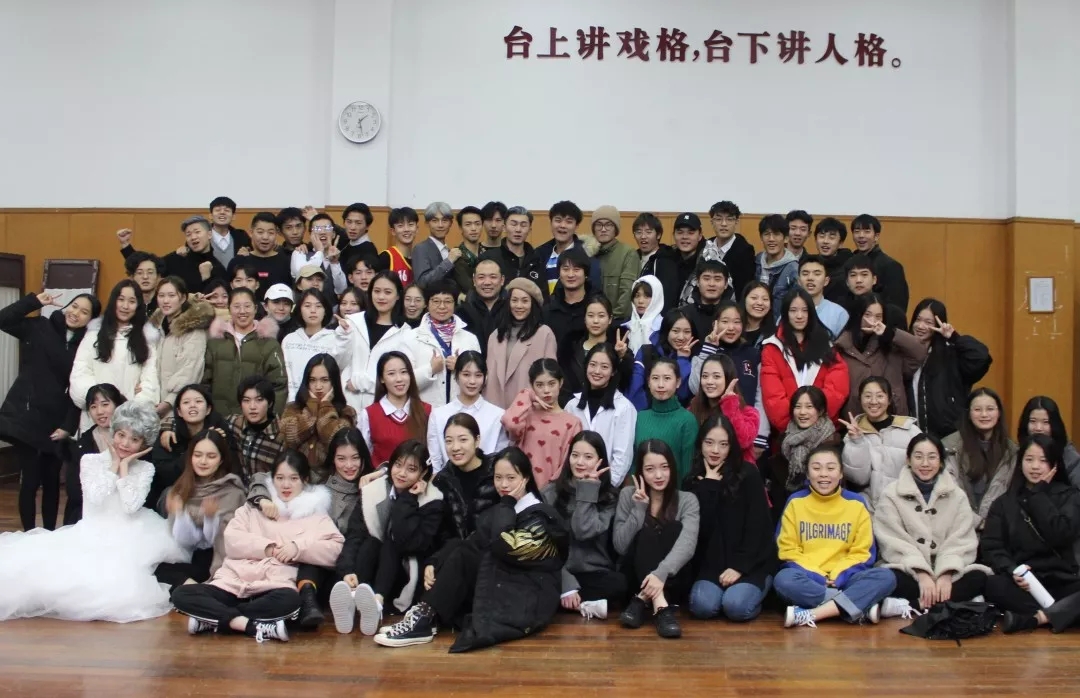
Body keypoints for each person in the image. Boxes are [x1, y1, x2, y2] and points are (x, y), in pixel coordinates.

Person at [0, 401, 187, 622]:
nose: (125, 443)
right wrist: (113, 466)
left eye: (134, 439)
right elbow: (96, 497)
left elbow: (130, 506)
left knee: (123, 589)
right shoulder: (90, 461)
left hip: (131, 531)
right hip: (93, 530)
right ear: (113, 432)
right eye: (121, 435)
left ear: (144, 443)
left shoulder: (146, 468)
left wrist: (125, 468)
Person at [374, 446, 569, 651]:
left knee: (465, 556)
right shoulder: (502, 509)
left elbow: (505, 546)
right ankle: (426, 616)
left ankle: (424, 619)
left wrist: (507, 503)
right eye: (498, 477)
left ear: (526, 478)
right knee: (457, 549)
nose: (503, 484)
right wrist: (435, 562)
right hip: (502, 582)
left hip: (526, 597)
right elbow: (471, 541)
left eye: (511, 478)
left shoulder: (540, 516)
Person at [171, 450, 344, 642]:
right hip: (232, 583)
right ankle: (247, 624)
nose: (286, 485)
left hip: (274, 586)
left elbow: (335, 548)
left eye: (293, 478)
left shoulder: (316, 515)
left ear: (305, 480)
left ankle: (215, 620)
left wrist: (298, 548)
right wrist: (268, 548)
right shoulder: (253, 508)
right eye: (280, 478)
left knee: (292, 601)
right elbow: (232, 540)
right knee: (181, 594)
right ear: (272, 479)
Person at [0, 290, 99, 531]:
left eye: (84, 312)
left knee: (52, 481)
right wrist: (33, 302)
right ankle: (29, 533)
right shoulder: (41, 327)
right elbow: (3, 319)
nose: (76, 313)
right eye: (74, 306)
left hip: (57, 420)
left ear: (91, 319)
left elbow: (80, 389)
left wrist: (68, 426)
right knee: (30, 479)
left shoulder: (87, 346)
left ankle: (50, 534)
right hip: (27, 415)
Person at [331, 440, 446, 635]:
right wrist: (347, 569)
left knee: (391, 540)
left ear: (423, 473)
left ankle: (377, 602)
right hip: (372, 568)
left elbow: (411, 543)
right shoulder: (373, 491)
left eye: (411, 469)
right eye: (398, 465)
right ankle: (353, 598)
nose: (402, 473)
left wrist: (408, 499)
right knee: (371, 541)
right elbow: (355, 535)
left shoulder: (433, 500)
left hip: (407, 573)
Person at [775, 445, 896, 627]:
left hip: (847, 578)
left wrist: (839, 575)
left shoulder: (856, 503)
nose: (823, 474)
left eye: (831, 468)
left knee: (886, 577)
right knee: (783, 580)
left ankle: (814, 614)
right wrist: (819, 576)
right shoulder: (796, 502)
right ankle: (859, 606)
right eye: (816, 468)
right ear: (807, 474)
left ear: (841, 474)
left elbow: (863, 552)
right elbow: (787, 550)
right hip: (809, 579)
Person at [873, 433, 990, 618]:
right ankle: (955, 603)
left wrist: (946, 573)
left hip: (948, 572)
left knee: (979, 577)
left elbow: (961, 539)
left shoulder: (957, 495)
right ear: (908, 460)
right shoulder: (891, 494)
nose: (925, 463)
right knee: (887, 578)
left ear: (941, 462)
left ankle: (911, 605)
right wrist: (921, 572)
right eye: (918, 457)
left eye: (932, 457)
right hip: (908, 570)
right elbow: (892, 540)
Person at [980, 435, 1080, 634]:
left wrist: (1038, 495)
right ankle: (1065, 613)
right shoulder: (1004, 503)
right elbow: (992, 546)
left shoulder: (1070, 496)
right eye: (1029, 459)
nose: (1035, 466)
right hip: (1026, 584)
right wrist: (1012, 570)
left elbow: (1061, 534)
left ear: (1054, 464)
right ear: (1020, 463)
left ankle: (1038, 618)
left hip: (1064, 580)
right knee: (992, 584)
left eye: (1043, 460)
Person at [685, 414, 775, 622]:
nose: (715, 450)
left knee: (736, 607)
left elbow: (758, 526)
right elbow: (700, 532)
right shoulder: (692, 479)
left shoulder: (748, 473)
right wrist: (709, 487)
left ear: (731, 446)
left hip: (750, 564)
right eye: (709, 443)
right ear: (700, 444)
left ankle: (756, 593)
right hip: (712, 565)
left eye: (723, 444)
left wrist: (739, 567)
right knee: (702, 607)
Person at [289, 427, 373, 630]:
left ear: (363, 458)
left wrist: (377, 475)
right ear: (333, 459)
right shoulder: (319, 484)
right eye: (341, 459)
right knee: (312, 554)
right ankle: (308, 602)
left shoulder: (372, 487)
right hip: (321, 562)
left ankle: (353, 603)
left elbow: (394, 468)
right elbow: (273, 476)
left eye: (355, 458)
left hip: (352, 565)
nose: (349, 465)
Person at [614, 440, 700, 638]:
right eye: (650, 469)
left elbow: (687, 545)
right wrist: (639, 509)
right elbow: (620, 546)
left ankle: (642, 600)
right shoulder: (627, 495)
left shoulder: (687, 500)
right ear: (641, 472)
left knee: (673, 529)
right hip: (634, 577)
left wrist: (660, 574)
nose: (659, 475)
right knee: (646, 534)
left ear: (672, 468)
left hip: (672, 580)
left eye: (664, 467)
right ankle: (661, 606)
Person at [542, 431, 626, 620]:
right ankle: (582, 604)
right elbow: (543, 544)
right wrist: (566, 583)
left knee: (619, 584)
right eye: (575, 455)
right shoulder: (550, 493)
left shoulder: (610, 497)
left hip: (592, 573)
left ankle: (565, 602)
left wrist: (588, 489)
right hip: (558, 570)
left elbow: (583, 530)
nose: (580, 462)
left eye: (588, 457)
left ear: (600, 461)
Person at [153, 429, 247, 591]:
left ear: (221, 460)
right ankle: (197, 590)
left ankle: (200, 591)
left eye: (211, 456)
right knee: (158, 569)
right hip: (192, 557)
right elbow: (186, 540)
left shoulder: (232, 492)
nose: (203, 461)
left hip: (220, 560)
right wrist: (180, 515)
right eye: (197, 455)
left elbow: (227, 541)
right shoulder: (182, 488)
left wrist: (211, 518)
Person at [70, 279, 160, 432]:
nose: (125, 306)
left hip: (130, 424)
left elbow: (150, 382)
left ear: (138, 305)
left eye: (132, 301)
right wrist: (102, 403)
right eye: (121, 299)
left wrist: (127, 409)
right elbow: (80, 374)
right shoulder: (93, 336)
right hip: (95, 422)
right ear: (113, 301)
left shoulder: (147, 339)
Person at [759, 288, 849, 434]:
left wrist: (816, 420)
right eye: (793, 310)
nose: (799, 316)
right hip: (786, 434)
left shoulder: (826, 346)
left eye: (805, 310)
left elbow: (837, 389)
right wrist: (793, 427)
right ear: (785, 313)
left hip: (823, 433)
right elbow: (773, 397)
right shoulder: (772, 347)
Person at [908, 298, 992, 439]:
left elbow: (981, 357)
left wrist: (954, 337)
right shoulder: (905, 354)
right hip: (913, 436)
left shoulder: (951, 354)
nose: (921, 326)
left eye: (928, 322)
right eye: (918, 319)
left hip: (949, 437)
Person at [688, 302, 765, 453]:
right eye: (725, 321)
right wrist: (709, 348)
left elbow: (760, 395)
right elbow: (695, 387)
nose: (731, 327)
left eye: (736, 322)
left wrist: (760, 435)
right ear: (715, 324)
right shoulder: (703, 352)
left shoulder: (753, 354)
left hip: (744, 427)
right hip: (709, 428)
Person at [839, 376, 923, 513]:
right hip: (870, 510)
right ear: (860, 399)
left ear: (889, 400)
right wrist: (857, 442)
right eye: (868, 396)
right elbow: (858, 479)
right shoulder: (853, 433)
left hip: (906, 508)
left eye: (880, 396)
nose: (873, 401)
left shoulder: (910, 430)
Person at [835, 293, 926, 417]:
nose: (872, 321)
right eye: (867, 315)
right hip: (855, 420)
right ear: (858, 315)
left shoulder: (892, 346)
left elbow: (919, 352)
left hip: (893, 417)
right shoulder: (842, 347)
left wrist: (890, 333)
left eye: (878, 317)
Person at [203, 287, 286, 416]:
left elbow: (279, 385)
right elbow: (205, 383)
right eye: (236, 306)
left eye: (247, 306)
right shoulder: (216, 342)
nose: (242, 311)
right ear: (229, 309)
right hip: (219, 418)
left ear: (255, 308)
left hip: (257, 419)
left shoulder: (269, 344)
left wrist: (271, 417)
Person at [501, 359, 583, 489]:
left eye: (552, 384)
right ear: (532, 386)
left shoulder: (572, 423)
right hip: (521, 489)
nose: (546, 390)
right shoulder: (525, 415)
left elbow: (568, 463)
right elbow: (510, 423)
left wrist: (551, 490)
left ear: (561, 383)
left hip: (553, 491)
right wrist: (527, 394)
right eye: (539, 385)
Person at [942, 387, 1018, 528]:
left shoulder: (1012, 452)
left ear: (999, 413)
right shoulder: (949, 447)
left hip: (997, 527)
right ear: (968, 414)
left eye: (990, 409)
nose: (984, 414)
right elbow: (948, 491)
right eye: (977, 409)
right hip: (957, 524)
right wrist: (978, 522)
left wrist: (991, 523)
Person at [565, 344, 637, 486]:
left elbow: (622, 456)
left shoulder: (624, 408)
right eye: (593, 365)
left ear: (613, 371)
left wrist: (606, 487)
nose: (597, 371)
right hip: (572, 487)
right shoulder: (572, 405)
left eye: (604, 367)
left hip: (606, 488)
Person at [402, 279, 482, 407]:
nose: (442, 306)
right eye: (436, 301)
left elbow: (482, 379)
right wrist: (430, 370)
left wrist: (462, 368)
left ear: (455, 304)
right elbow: (402, 382)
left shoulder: (470, 338)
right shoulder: (410, 337)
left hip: (461, 411)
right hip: (424, 411)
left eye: (448, 301)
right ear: (427, 304)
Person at [336, 270, 408, 411]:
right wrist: (343, 336)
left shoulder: (405, 332)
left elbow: (402, 378)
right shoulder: (353, 323)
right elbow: (338, 363)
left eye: (388, 292)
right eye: (377, 291)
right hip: (346, 404)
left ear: (398, 296)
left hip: (382, 408)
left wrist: (362, 383)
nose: (381, 297)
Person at [764, 386, 841, 517]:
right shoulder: (784, 442)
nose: (802, 412)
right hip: (787, 515)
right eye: (798, 407)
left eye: (809, 407)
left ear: (821, 410)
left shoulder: (833, 444)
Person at [426, 351, 509, 473]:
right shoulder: (438, 415)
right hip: (447, 481)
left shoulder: (498, 415)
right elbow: (435, 463)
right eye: (466, 374)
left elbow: (500, 458)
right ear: (456, 376)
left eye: (478, 375)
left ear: (485, 377)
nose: (472, 381)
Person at [152, 384, 231, 509]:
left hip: (212, 492)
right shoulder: (169, 435)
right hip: (177, 492)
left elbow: (230, 466)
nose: (192, 405)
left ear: (208, 409)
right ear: (179, 411)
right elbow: (164, 474)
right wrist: (198, 445)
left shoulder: (220, 432)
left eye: (198, 401)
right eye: (186, 402)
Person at [483, 278, 557, 408]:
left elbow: (550, 376)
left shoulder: (544, 333)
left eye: (525, 301)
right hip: (494, 408)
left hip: (528, 408)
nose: (519, 306)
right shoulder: (495, 335)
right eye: (514, 300)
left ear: (533, 304)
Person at [280, 354, 358, 475]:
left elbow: (335, 440)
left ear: (334, 382)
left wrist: (325, 406)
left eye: (324, 380)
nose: (318, 387)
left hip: (331, 479)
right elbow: (290, 437)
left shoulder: (347, 412)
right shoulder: (292, 408)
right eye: (312, 380)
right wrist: (313, 407)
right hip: (295, 478)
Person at [431, 413, 501, 544]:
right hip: (458, 552)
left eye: (463, 440)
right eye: (449, 441)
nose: (455, 447)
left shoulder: (497, 469)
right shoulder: (441, 481)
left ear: (477, 440)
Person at [62, 384, 126, 525]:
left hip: (125, 506)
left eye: (105, 404)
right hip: (91, 509)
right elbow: (74, 490)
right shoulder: (83, 444)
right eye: (93, 407)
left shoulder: (132, 438)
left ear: (118, 406)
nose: (99, 411)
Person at [152, 276, 215, 415]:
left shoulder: (193, 331)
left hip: (179, 407)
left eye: (171, 295)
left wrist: (169, 402)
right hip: (153, 402)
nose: (165, 301)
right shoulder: (155, 328)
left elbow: (190, 371)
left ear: (183, 298)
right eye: (161, 296)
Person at [557, 293, 633, 405]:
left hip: (608, 407)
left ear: (610, 319)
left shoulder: (618, 349)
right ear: (584, 318)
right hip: (573, 407)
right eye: (591, 315)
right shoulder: (569, 350)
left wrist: (620, 357)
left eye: (601, 316)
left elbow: (626, 382)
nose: (595, 321)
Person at [358, 351, 431, 467]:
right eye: (391, 374)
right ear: (382, 378)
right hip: (381, 477)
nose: (399, 379)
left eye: (404, 372)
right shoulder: (369, 414)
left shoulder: (427, 411)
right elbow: (362, 457)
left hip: (418, 478)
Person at [119, 217, 228, 292]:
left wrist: (206, 278)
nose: (193, 237)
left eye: (197, 232)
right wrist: (126, 245)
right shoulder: (176, 259)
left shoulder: (218, 268)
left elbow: (217, 300)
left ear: (209, 234)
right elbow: (145, 265)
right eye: (188, 234)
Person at [634, 358, 698, 481]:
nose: (660, 385)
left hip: (675, 491)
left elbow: (687, 469)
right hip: (641, 491)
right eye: (655, 378)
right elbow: (634, 464)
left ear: (678, 382)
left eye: (667, 378)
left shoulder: (687, 420)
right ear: (648, 382)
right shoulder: (640, 417)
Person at [687, 353, 759, 462]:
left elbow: (742, 441)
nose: (709, 382)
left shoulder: (749, 413)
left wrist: (729, 403)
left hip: (737, 471)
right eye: (705, 376)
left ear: (729, 379)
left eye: (716, 376)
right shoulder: (692, 410)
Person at [524, 200, 602, 299]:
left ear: (576, 226)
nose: (563, 225)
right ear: (551, 223)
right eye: (558, 220)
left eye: (569, 222)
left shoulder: (587, 255)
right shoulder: (539, 255)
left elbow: (594, 292)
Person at [281, 289, 347, 403]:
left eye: (318, 306)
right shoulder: (289, 340)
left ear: (325, 310)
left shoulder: (335, 338)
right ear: (299, 310)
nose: (313, 311)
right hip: (293, 403)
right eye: (307, 306)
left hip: (327, 402)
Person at [626, 308, 697, 410]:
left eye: (687, 332)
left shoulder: (695, 358)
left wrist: (682, 359)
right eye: (675, 331)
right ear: (666, 331)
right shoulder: (646, 352)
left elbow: (682, 393)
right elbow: (635, 390)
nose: (681, 337)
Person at [225, 375, 285, 484]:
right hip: (239, 489)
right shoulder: (233, 423)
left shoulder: (282, 434)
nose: (252, 406)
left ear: (270, 403)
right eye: (246, 400)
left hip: (268, 491)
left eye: (259, 400)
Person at [851, 214, 909, 314]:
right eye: (857, 231)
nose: (861, 235)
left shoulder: (891, 266)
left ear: (876, 236)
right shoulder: (850, 262)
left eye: (867, 231)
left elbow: (897, 308)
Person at [1018, 395, 1080, 488]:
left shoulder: (1069, 455)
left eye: (1045, 422)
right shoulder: (1017, 451)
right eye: (1033, 421)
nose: (1038, 428)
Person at [704, 201, 757, 304]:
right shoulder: (706, 246)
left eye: (729, 219)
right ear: (712, 222)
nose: (724, 224)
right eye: (718, 219)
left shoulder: (745, 251)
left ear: (736, 222)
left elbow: (744, 289)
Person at [590, 205, 636, 318]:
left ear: (616, 228)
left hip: (617, 321)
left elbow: (627, 293)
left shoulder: (628, 253)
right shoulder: (587, 253)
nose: (603, 229)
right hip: (591, 321)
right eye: (599, 224)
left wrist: (610, 319)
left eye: (608, 224)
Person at [234, 212, 294, 298]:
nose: (265, 237)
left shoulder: (287, 262)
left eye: (270, 233)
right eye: (260, 232)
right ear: (251, 232)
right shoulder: (239, 261)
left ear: (276, 233)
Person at [541, 247, 592, 349]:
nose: (570, 274)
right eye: (565, 269)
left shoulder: (595, 307)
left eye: (576, 269)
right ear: (559, 273)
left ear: (586, 274)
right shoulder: (548, 310)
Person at [455, 258, 505, 355]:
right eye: (481, 277)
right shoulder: (461, 313)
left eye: (493, 277)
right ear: (474, 280)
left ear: (502, 280)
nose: (487, 282)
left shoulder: (512, 310)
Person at [632, 214, 681, 313]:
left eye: (648, 232)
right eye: (638, 232)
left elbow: (668, 297)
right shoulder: (633, 257)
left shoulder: (666, 260)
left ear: (658, 235)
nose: (643, 236)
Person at [291, 213, 347, 297]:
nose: (323, 232)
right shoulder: (300, 253)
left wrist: (334, 263)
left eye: (327, 228)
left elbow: (341, 290)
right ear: (311, 235)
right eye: (317, 228)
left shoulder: (340, 256)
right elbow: (303, 273)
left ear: (333, 234)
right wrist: (320, 252)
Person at [754, 214, 799, 315]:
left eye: (776, 234)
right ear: (761, 237)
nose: (771, 239)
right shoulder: (757, 261)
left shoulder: (793, 269)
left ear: (786, 238)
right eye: (767, 234)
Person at [680, 258, 734, 341]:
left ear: (726, 284)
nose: (711, 284)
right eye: (706, 278)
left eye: (717, 279)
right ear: (697, 282)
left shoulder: (735, 313)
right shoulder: (685, 313)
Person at [798, 255, 848, 339]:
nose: (810, 278)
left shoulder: (839, 313)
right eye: (805, 274)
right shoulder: (789, 311)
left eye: (817, 274)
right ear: (799, 281)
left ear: (826, 281)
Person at [479, 205, 534, 282]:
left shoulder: (537, 259)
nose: (518, 229)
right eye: (513, 224)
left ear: (529, 230)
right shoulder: (488, 257)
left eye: (523, 225)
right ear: (504, 227)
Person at [412, 201, 460, 288]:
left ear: (450, 224)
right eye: (435, 221)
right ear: (427, 224)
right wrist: (448, 261)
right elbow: (422, 282)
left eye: (444, 220)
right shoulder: (421, 249)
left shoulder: (450, 251)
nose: (440, 225)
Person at [813, 217, 854, 305]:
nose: (825, 241)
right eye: (822, 236)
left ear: (840, 243)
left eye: (831, 237)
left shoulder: (850, 267)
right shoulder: (811, 264)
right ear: (816, 240)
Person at [623, 276, 665, 354]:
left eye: (646, 296)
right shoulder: (626, 327)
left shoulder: (663, 327)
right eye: (637, 296)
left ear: (656, 298)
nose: (640, 301)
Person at [671, 212, 707, 303]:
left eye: (691, 233)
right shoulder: (668, 258)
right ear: (673, 235)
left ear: (700, 236)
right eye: (680, 232)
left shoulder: (709, 260)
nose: (685, 237)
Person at [379, 206, 419, 287]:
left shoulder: (420, 258)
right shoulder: (386, 257)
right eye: (400, 226)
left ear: (417, 229)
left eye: (410, 225)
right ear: (393, 231)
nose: (406, 229)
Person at [208, 195, 252, 267]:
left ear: (233, 216)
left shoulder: (242, 236)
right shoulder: (202, 236)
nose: (222, 212)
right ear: (210, 216)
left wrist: (248, 256)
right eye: (218, 210)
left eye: (227, 210)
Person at [452, 205, 485, 295]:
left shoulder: (487, 253)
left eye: (477, 224)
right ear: (460, 228)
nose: (473, 228)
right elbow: (467, 287)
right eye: (468, 224)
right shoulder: (456, 256)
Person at [121, 249, 164, 315]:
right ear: (132, 277)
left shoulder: (165, 304)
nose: (145, 277)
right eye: (140, 273)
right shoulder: (124, 306)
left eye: (150, 272)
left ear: (158, 276)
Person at [339, 202, 378, 275]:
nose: (352, 227)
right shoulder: (346, 243)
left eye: (358, 223)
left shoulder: (368, 250)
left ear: (367, 226)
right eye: (349, 222)